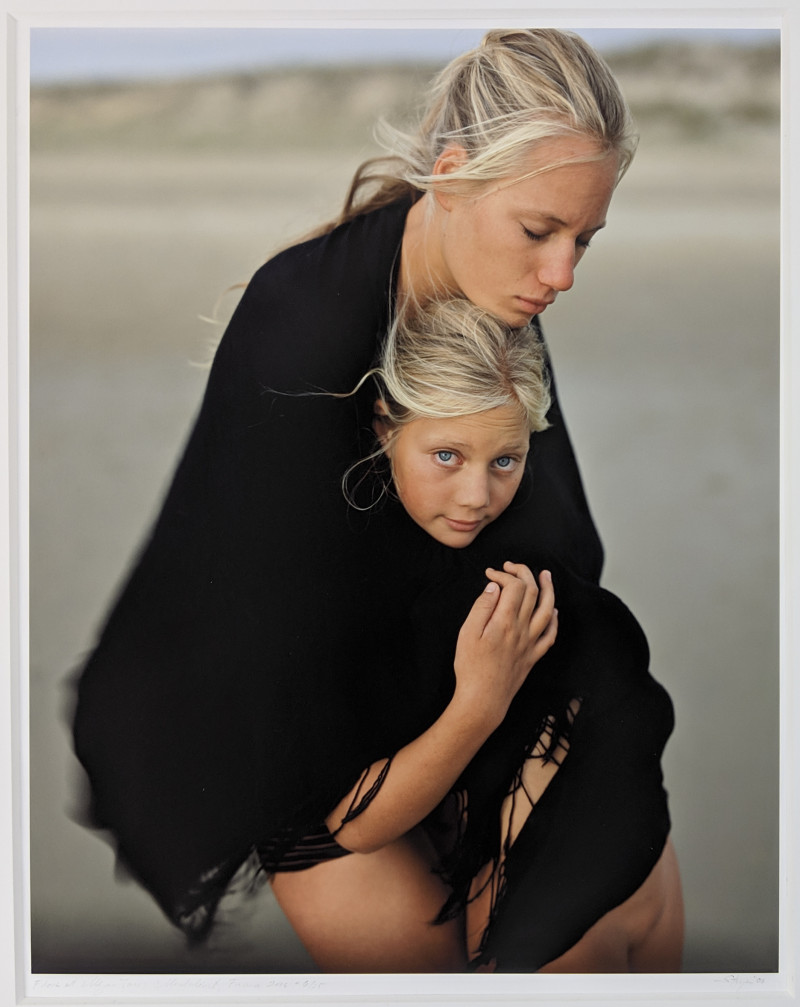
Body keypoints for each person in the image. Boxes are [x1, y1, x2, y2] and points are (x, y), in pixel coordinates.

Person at [71, 28, 680, 971]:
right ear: (451, 174)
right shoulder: (301, 336)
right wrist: (470, 711)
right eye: (539, 231)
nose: (562, 276)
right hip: (305, 737)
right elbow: (273, 677)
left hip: (476, 674)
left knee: (611, 914)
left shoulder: (496, 298)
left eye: (584, 240)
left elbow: (559, 551)